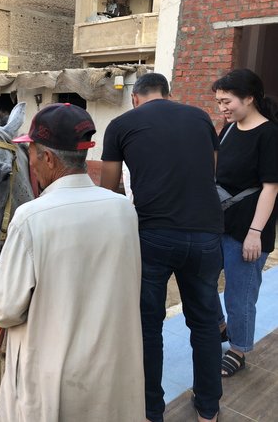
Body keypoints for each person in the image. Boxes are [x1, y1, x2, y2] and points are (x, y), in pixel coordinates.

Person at [0, 103, 145, 421]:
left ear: (49, 158)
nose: (30, 162)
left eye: (31, 153)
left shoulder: (31, 218)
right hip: (112, 374)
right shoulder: (124, 209)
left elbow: (5, 309)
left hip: (54, 382)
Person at [100, 73, 224, 422]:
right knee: (205, 323)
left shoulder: (121, 125)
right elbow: (211, 173)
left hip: (153, 235)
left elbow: (108, 189)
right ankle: (208, 409)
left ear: (135, 98)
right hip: (206, 234)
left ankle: (151, 410)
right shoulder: (200, 117)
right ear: (169, 95)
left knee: (148, 326)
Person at [212, 69, 278, 378]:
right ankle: (221, 326)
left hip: (247, 229)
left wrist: (255, 233)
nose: (222, 108)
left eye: (227, 101)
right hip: (218, 222)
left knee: (239, 294)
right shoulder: (228, 129)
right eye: (219, 102)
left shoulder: (269, 134)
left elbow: (271, 187)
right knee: (200, 280)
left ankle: (238, 349)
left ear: (249, 98)